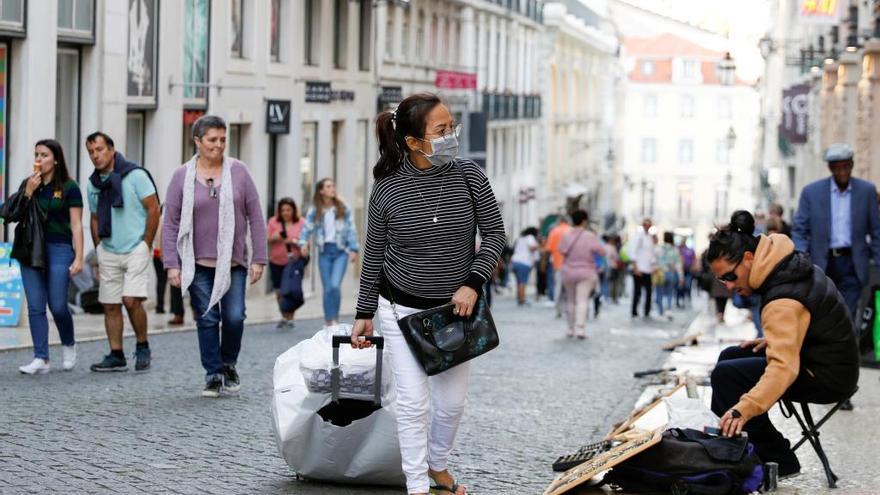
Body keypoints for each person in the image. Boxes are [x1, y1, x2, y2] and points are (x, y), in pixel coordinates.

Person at [351, 93, 505, 495]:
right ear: (412, 142)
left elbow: (495, 234)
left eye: (451, 127)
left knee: (451, 405)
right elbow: (375, 254)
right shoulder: (387, 190)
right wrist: (363, 312)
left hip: (456, 312)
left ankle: (438, 466)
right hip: (400, 309)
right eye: (441, 131)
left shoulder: (470, 176)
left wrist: (473, 282)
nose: (451, 136)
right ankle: (417, 486)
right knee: (413, 405)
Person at [706, 210, 859, 478]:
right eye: (722, 281)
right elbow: (812, 318)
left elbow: (783, 369)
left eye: (730, 276)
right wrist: (775, 339)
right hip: (827, 361)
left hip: (828, 376)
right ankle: (743, 444)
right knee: (731, 355)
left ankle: (777, 459)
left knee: (726, 377)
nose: (728, 286)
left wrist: (744, 408)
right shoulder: (786, 265)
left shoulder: (782, 298)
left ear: (749, 258)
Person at [163, 115, 268, 397]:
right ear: (197, 141)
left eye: (223, 139)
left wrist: (259, 257)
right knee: (207, 319)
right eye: (212, 140)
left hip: (233, 261)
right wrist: (171, 263)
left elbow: (256, 217)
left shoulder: (239, 172)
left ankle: (228, 362)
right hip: (196, 262)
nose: (219, 145)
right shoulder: (181, 176)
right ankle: (212, 373)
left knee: (234, 317)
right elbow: (171, 222)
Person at [6, 140, 84, 374]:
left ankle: (68, 343)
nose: (39, 159)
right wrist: (28, 192)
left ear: (56, 159)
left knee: (58, 305)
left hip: (59, 248)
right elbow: (13, 214)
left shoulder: (70, 187)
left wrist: (79, 257)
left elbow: (77, 224)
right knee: (36, 306)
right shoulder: (29, 184)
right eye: (36, 154)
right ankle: (41, 357)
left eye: (44, 154)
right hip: (30, 249)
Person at [86, 132, 159, 373]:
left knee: (131, 300)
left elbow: (153, 209)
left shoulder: (136, 175)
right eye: (91, 152)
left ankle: (142, 345)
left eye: (100, 149)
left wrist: (145, 243)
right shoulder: (93, 183)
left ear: (112, 149)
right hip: (108, 249)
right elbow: (94, 217)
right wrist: (98, 246)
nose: (96, 155)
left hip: (135, 247)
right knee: (110, 305)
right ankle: (116, 354)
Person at [792, 143, 880, 323]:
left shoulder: (867, 191)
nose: (842, 172)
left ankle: (845, 350)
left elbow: (877, 231)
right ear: (830, 168)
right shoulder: (811, 192)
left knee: (847, 316)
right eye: (837, 168)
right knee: (823, 315)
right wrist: (803, 257)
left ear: (852, 165)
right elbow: (799, 229)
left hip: (853, 265)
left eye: (846, 166)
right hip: (822, 264)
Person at [298, 178, 359, 326]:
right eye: (328, 186)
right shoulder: (315, 210)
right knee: (327, 289)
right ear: (321, 191)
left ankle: (335, 319)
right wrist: (303, 243)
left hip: (341, 252)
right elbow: (307, 228)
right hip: (324, 253)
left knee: (335, 286)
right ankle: (328, 320)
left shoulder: (343, 207)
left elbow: (351, 228)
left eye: (333, 186)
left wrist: (353, 249)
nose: (332, 188)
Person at [559, 210, 606, 339]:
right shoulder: (590, 236)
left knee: (570, 300)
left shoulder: (567, 235)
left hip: (568, 271)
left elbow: (561, 250)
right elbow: (602, 251)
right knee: (582, 300)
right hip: (586, 272)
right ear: (584, 221)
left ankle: (570, 329)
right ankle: (580, 329)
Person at [267, 197, 306, 328]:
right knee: (279, 291)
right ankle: (284, 315)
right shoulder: (273, 222)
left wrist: (293, 241)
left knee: (291, 290)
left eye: (288, 210)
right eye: (282, 210)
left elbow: (306, 242)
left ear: (293, 210)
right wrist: (275, 236)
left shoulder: (301, 222)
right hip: (276, 262)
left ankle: (290, 317)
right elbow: (267, 240)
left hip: (293, 262)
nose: (285, 212)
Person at [154, 206, 185, 325]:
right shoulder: (163, 219)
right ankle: (177, 312)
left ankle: (179, 312)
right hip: (166, 254)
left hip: (177, 253)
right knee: (174, 284)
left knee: (175, 285)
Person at [629, 218, 656, 318]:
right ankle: (634, 310)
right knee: (637, 291)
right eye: (646, 224)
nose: (647, 226)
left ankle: (647, 310)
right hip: (639, 268)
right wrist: (636, 267)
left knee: (649, 291)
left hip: (647, 268)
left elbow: (651, 254)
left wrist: (653, 266)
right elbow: (633, 252)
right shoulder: (638, 237)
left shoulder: (650, 238)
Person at [546, 216, 571, 317]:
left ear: (559, 221)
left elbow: (548, 248)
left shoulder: (554, 231)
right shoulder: (572, 231)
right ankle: (567, 309)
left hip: (558, 264)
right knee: (569, 288)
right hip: (571, 264)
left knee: (558, 287)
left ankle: (558, 310)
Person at [654, 232, 683, 318]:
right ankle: (669, 309)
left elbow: (654, 262)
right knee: (670, 293)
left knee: (659, 293)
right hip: (671, 273)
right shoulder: (675, 250)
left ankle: (661, 312)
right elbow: (678, 264)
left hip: (660, 273)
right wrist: (681, 277)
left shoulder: (658, 249)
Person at [511, 227, 540, 306]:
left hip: (515, 261)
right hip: (524, 262)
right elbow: (532, 247)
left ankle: (519, 298)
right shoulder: (530, 237)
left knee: (518, 282)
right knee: (523, 282)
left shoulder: (520, 238)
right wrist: (539, 245)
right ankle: (522, 299)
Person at [676, 238, 696, 308]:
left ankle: (686, 298)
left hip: (688, 270)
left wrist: (693, 266)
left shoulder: (690, 250)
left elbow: (694, 259)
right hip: (680, 270)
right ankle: (679, 299)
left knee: (688, 285)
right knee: (680, 286)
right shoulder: (678, 250)